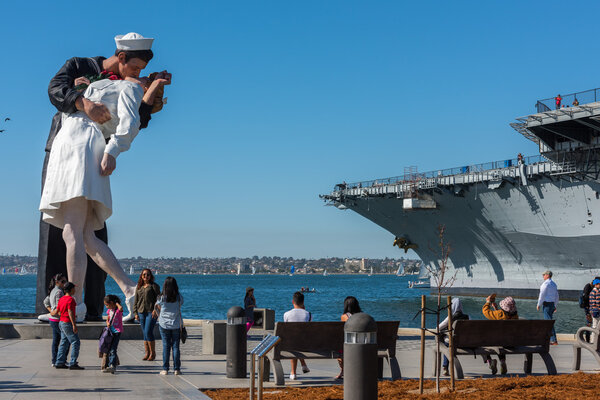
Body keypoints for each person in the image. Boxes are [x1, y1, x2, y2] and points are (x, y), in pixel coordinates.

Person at [36, 32, 172, 322]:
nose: (138, 75)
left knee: (73, 231)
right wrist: (82, 92)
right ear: (120, 58)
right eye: (134, 69)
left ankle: (72, 305)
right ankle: (129, 288)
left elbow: (132, 124)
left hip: (80, 150)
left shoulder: (127, 87)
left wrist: (112, 150)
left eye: (141, 73)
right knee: (85, 236)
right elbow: (55, 90)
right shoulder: (89, 73)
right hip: (70, 148)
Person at [482, 295, 518, 375]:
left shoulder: (499, 314)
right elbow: (504, 316)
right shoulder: (515, 316)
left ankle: (490, 362)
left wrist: (487, 302)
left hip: (498, 342)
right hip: (511, 342)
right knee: (502, 339)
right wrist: (496, 309)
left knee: (483, 342)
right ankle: (502, 361)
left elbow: (486, 311)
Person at [155, 277, 183, 375]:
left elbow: (156, 306)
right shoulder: (179, 296)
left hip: (164, 324)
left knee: (166, 346)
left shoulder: (161, 297)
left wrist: (160, 313)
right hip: (175, 324)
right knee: (176, 347)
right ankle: (177, 369)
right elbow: (180, 305)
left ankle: (165, 369)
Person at [55, 282, 84, 370]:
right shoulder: (71, 300)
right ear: (71, 290)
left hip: (61, 322)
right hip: (67, 322)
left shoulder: (62, 299)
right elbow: (70, 312)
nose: (75, 290)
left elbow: (59, 311)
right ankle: (73, 363)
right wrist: (74, 325)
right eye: (74, 288)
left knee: (64, 342)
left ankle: (59, 362)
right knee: (75, 342)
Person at [283, 291, 311, 380]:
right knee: (297, 341)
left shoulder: (286, 314)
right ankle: (303, 365)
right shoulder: (308, 314)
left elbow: (286, 330)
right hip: (306, 344)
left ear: (292, 302)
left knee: (293, 341)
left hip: (290, 344)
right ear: (303, 302)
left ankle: (293, 372)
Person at [438, 298, 469, 377]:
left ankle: (445, 367)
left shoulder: (450, 317)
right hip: (465, 342)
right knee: (448, 344)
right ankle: (489, 361)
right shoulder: (467, 317)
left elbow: (438, 328)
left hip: (453, 342)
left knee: (446, 346)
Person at [134, 268, 161, 360]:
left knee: (148, 332)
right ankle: (147, 353)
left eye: (148, 274)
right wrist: (135, 313)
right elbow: (136, 300)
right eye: (144, 274)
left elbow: (159, 299)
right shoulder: (139, 287)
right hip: (141, 312)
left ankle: (153, 353)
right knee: (145, 333)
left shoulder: (154, 286)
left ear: (151, 276)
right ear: (141, 276)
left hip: (151, 312)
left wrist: (156, 309)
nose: (146, 276)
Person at [42, 273, 67, 366]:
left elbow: (46, 302)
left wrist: (51, 311)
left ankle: (54, 360)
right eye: (63, 281)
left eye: (65, 281)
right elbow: (58, 308)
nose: (65, 283)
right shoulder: (59, 292)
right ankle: (61, 360)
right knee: (65, 340)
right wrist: (55, 312)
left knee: (56, 341)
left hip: (52, 319)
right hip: (57, 319)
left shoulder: (53, 290)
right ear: (57, 282)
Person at [336, 296, 362, 379]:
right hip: (362, 343)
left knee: (339, 352)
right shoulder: (362, 316)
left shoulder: (344, 316)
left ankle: (343, 371)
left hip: (349, 344)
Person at [102, 295, 124, 374]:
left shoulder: (118, 310)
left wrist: (116, 303)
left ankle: (112, 365)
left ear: (111, 303)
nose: (106, 306)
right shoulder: (109, 311)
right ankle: (109, 365)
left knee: (113, 349)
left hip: (117, 331)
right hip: (110, 331)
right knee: (109, 348)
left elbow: (121, 308)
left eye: (107, 305)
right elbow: (108, 318)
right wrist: (107, 322)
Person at [537, 270, 559, 345]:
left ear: (547, 275)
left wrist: (539, 304)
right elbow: (557, 296)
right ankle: (550, 339)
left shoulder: (545, 284)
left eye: (544, 275)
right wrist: (555, 305)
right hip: (552, 304)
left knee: (548, 323)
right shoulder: (554, 284)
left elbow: (542, 295)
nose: (543, 276)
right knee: (549, 322)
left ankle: (554, 340)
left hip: (546, 305)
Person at [580, 278, 598, 343]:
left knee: (592, 323)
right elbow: (585, 297)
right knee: (589, 323)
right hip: (588, 308)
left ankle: (591, 339)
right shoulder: (588, 286)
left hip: (591, 308)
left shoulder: (594, 288)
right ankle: (588, 339)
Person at [589, 278, 600, 343]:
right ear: (596, 284)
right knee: (597, 326)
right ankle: (595, 341)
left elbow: (591, 302)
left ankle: (593, 340)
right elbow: (598, 302)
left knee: (594, 325)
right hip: (597, 310)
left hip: (593, 310)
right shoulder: (597, 292)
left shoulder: (592, 292)